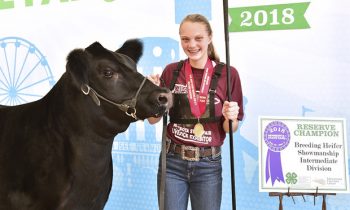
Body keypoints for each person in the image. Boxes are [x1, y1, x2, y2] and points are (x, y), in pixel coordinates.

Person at [147, 13, 244, 210]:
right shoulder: (171, 71)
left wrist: (230, 116)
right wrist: (152, 96)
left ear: (209, 38)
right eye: (185, 39)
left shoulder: (228, 74)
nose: (192, 44)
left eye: (198, 38)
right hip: (172, 162)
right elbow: (153, 119)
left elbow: (230, 128)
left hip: (208, 165)